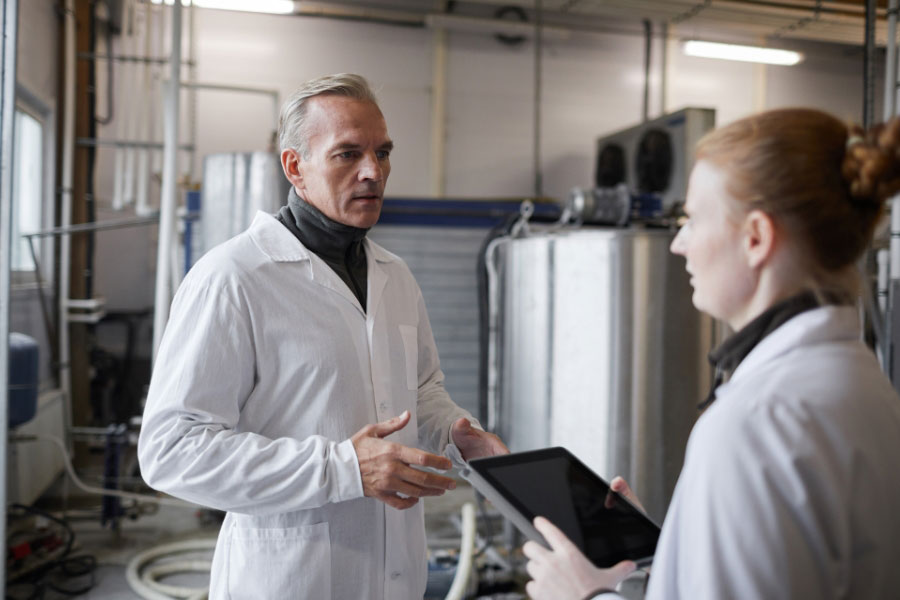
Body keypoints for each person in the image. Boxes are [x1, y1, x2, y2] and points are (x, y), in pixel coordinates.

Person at [137, 73, 507, 599]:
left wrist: (454, 431)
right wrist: (341, 469)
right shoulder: (233, 278)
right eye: (347, 154)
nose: (372, 172)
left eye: (383, 153)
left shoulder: (394, 275)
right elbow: (172, 450)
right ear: (295, 167)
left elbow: (419, 390)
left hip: (396, 576)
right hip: (291, 577)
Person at [523, 108, 900, 599]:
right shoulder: (865, 385)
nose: (679, 244)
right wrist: (680, 540)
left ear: (756, 238)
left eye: (693, 219)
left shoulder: (754, 424)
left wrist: (584, 596)